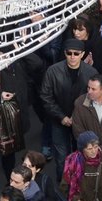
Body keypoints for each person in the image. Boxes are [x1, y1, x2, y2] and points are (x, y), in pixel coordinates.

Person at [40, 38, 96, 180]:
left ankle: (81, 184)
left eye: (76, 54)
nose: (72, 56)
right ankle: (64, 187)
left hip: (82, 122)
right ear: (64, 53)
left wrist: (77, 117)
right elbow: (46, 96)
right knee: (62, 159)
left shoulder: (91, 72)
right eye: (69, 53)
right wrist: (62, 117)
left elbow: (95, 97)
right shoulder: (53, 71)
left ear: (82, 54)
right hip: (59, 121)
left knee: (83, 155)